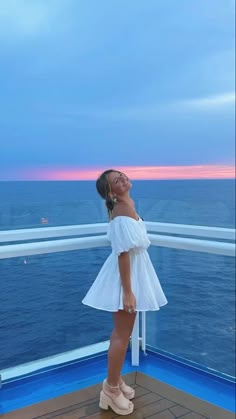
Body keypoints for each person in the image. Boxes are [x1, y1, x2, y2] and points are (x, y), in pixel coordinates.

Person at [82, 169, 167, 415]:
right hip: (126, 277)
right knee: (122, 334)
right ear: (111, 192)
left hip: (134, 272)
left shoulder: (127, 205)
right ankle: (109, 390)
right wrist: (128, 292)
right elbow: (122, 254)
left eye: (121, 175)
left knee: (123, 333)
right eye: (116, 180)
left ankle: (115, 380)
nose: (122, 178)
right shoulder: (120, 213)